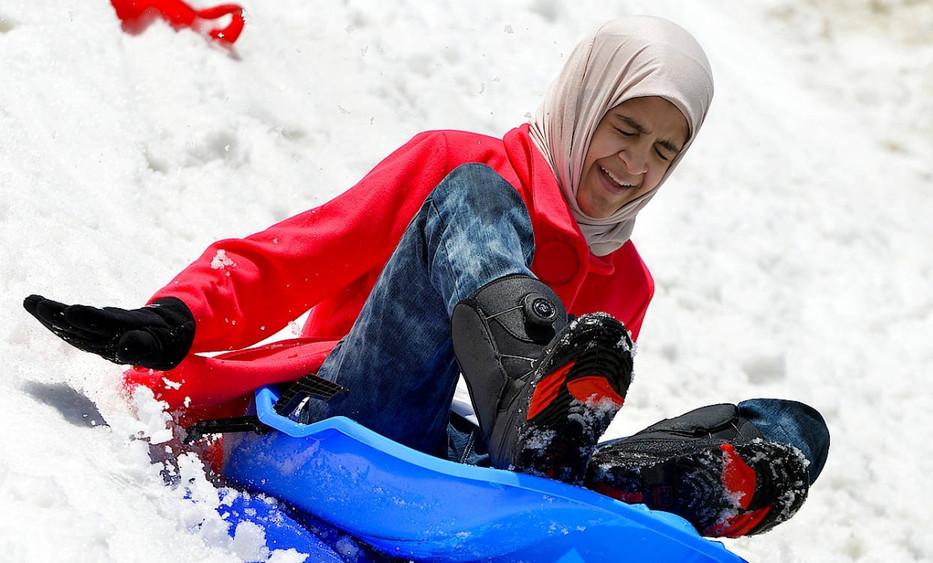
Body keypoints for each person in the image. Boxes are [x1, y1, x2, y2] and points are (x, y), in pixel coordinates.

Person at [23, 16, 829, 538]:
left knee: (793, 425)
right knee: (478, 201)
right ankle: (528, 402)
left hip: (453, 455)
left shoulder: (628, 283)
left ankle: (656, 484)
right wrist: (178, 318)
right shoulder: (459, 165)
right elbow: (295, 256)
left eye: (664, 151)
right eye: (626, 128)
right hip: (339, 412)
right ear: (587, 101)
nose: (636, 166)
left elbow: (568, 416)